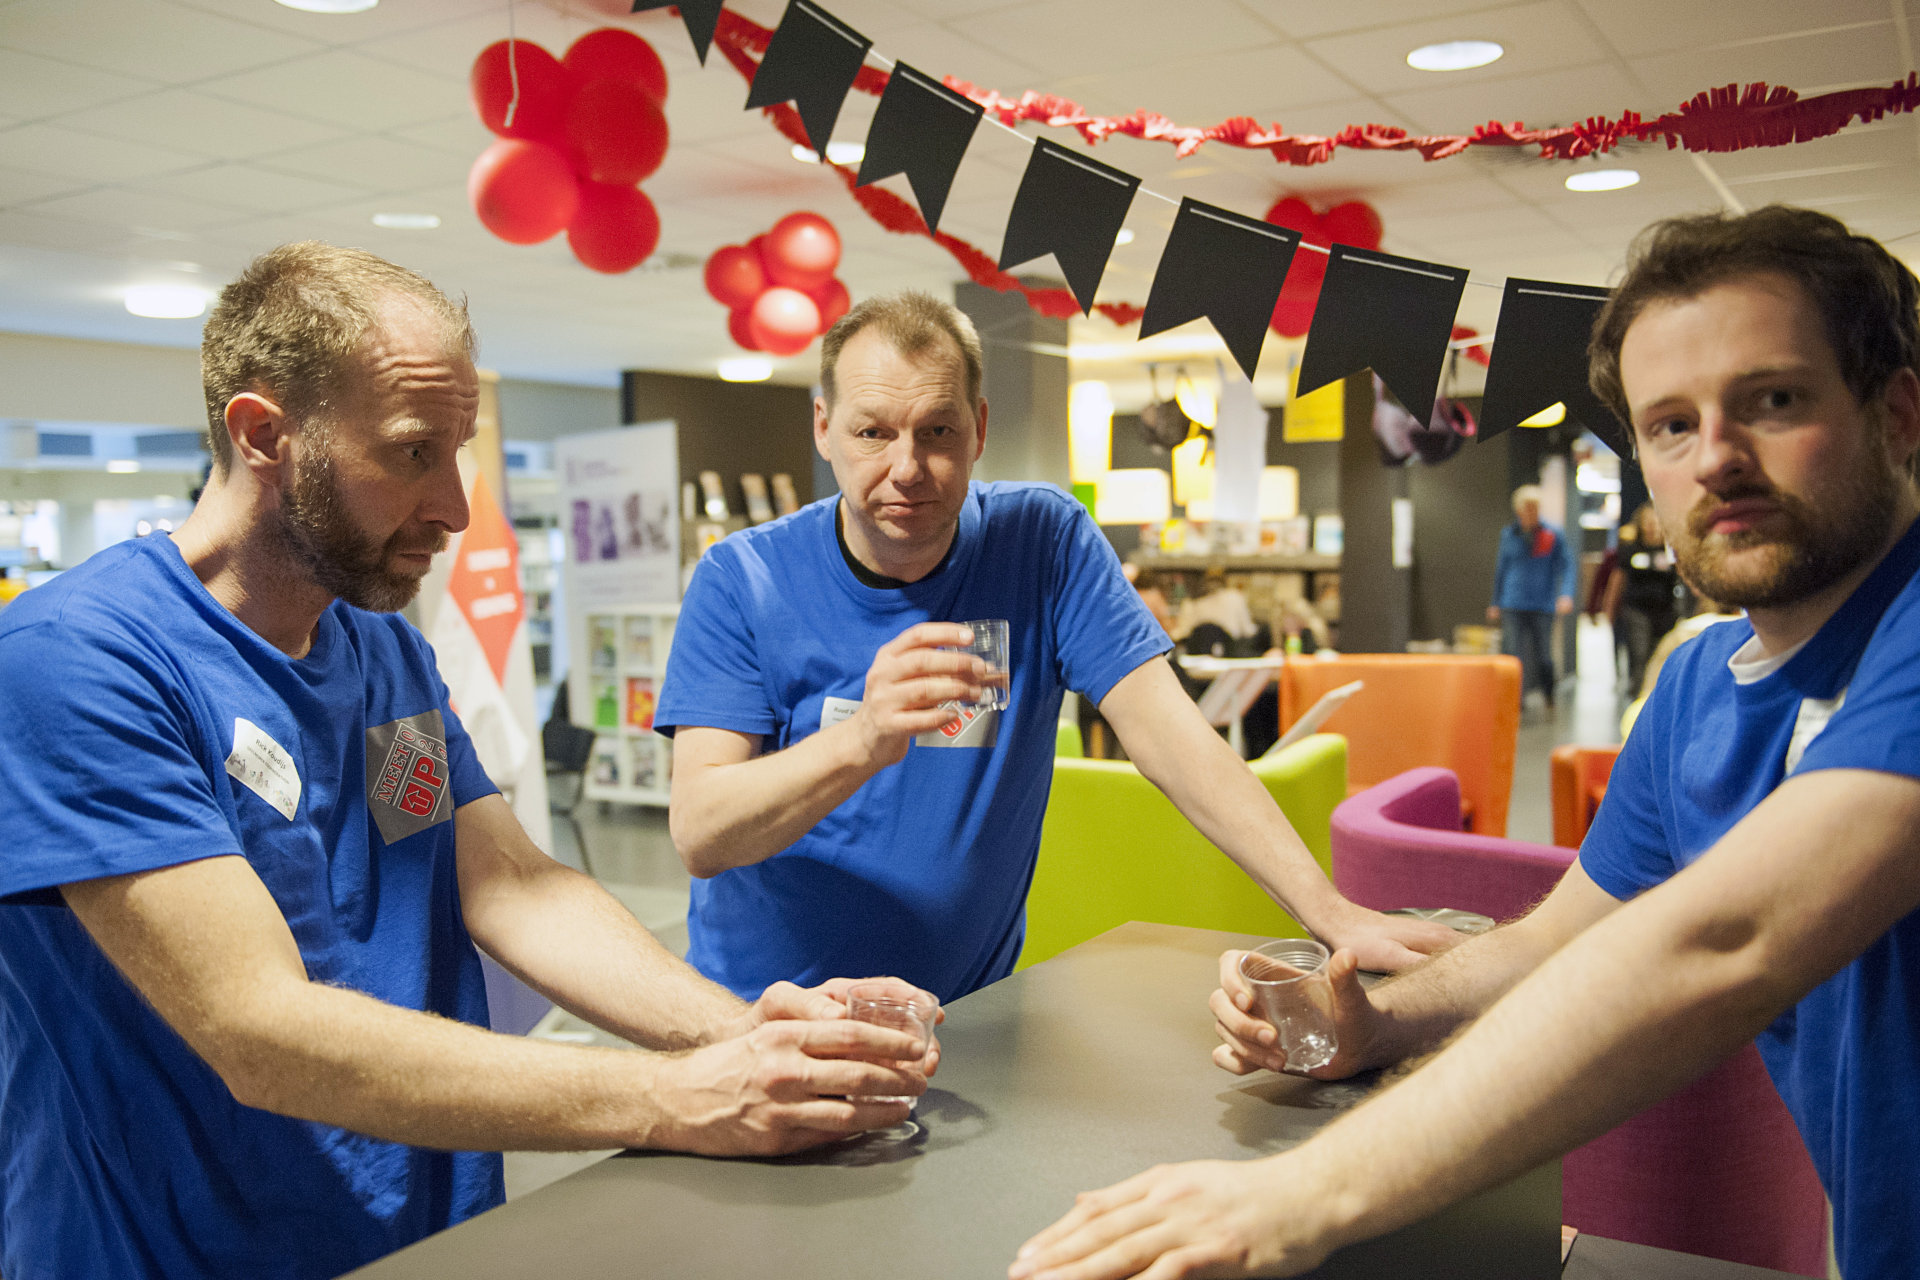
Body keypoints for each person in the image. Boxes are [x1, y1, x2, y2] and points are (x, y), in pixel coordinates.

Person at [1010, 204, 1920, 1280]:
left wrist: (1302, 1192)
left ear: (1899, 413)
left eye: (1772, 400)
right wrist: (1377, 1021)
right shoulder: (1694, 689)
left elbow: (1728, 936)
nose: (1716, 457)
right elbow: (1555, 942)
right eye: (1671, 424)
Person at [0, 243, 935, 1280]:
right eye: (411, 453)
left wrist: (745, 1030)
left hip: (427, 1231)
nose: (451, 503)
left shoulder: (379, 648)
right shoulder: (78, 663)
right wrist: (676, 1097)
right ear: (266, 434)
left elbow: (512, 885)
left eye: (460, 453)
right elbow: (259, 1028)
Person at [655, 290, 1453, 1004]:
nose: (907, 468)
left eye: (938, 430)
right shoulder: (743, 576)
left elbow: (1173, 738)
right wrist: (865, 737)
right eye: (873, 432)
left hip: (965, 1020)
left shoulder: (1043, 540)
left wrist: (1330, 912)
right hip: (761, 1017)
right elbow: (701, 830)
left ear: (981, 430)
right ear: (825, 428)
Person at [1486, 483, 1576, 708]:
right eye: (1526, 508)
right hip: (1512, 602)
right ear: (1518, 510)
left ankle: (1549, 695)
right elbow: (1501, 569)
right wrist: (1495, 602)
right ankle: (1516, 700)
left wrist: (1566, 594)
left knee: (1544, 655)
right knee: (1513, 654)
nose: (1530, 512)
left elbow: (1567, 566)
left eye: (1534, 508)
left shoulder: (1552, 534)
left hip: (1542, 604)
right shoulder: (1508, 535)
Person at [1604, 502, 1682, 694]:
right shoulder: (1630, 550)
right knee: (1639, 654)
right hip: (1636, 609)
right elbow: (1617, 580)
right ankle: (1638, 698)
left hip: (1665, 612)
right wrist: (1609, 609)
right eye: (1647, 522)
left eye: (1655, 522)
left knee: (1661, 655)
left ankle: (1658, 695)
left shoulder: (1670, 552)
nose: (1651, 526)